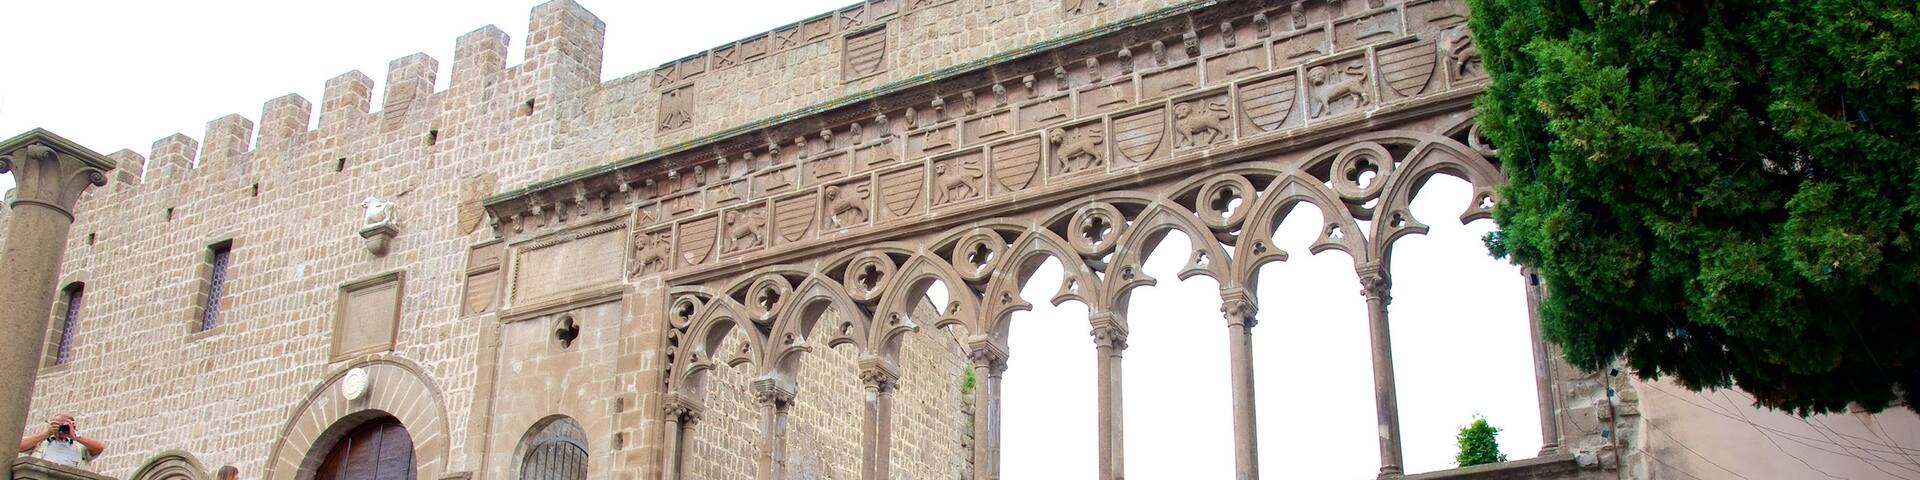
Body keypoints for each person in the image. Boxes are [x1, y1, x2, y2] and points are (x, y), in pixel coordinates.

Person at [16, 413, 106, 468]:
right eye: (56, 424)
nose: (60, 428)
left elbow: (99, 447)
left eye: (63, 425)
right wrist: (47, 433)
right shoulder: (41, 443)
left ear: (73, 427)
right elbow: (17, 447)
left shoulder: (80, 447)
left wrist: (74, 436)